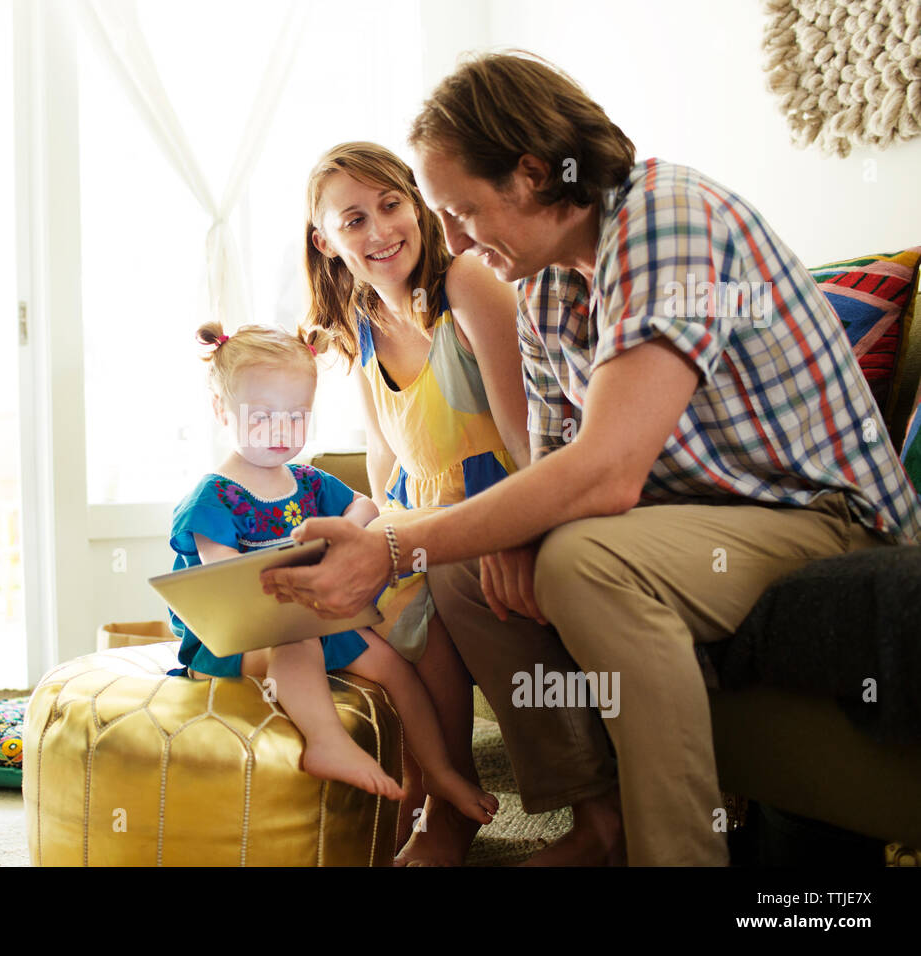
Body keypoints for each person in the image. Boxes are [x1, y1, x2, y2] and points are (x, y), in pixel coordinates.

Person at [264, 52, 921, 866]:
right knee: (472, 568)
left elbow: (604, 471)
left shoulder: (669, 219)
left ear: (534, 175)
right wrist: (488, 534)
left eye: (462, 210)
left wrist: (394, 545)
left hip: (823, 520)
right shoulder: (545, 288)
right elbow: (550, 467)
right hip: (693, 523)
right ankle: (594, 821)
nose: (454, 238)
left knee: (580, 562)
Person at [165, 321, 499, 830]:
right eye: (263, 417)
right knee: (294, 639)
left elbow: (365, 505)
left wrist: (340, 536)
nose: (282, 431)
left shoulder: (307, 481)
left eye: (296, 416)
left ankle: (438, 775)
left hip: (315, 618)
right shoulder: (214, 498)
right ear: (221, 412)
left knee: (394, 667)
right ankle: (326, 741)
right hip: (237, 639)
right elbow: (231, 592)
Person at [302, 141, 536, 864]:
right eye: (353, 220)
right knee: (340, 580)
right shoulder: (362, 322)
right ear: (326, 241)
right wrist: (358, 527)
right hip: (419, 507)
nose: (379, 232)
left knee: (409, 582)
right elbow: (384, 459)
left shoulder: (466, 284)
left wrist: (519, 530)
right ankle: (415, 777)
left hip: (498, 498)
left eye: (391, 205)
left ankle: (450, 797)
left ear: (417, 200)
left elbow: (526, 433)